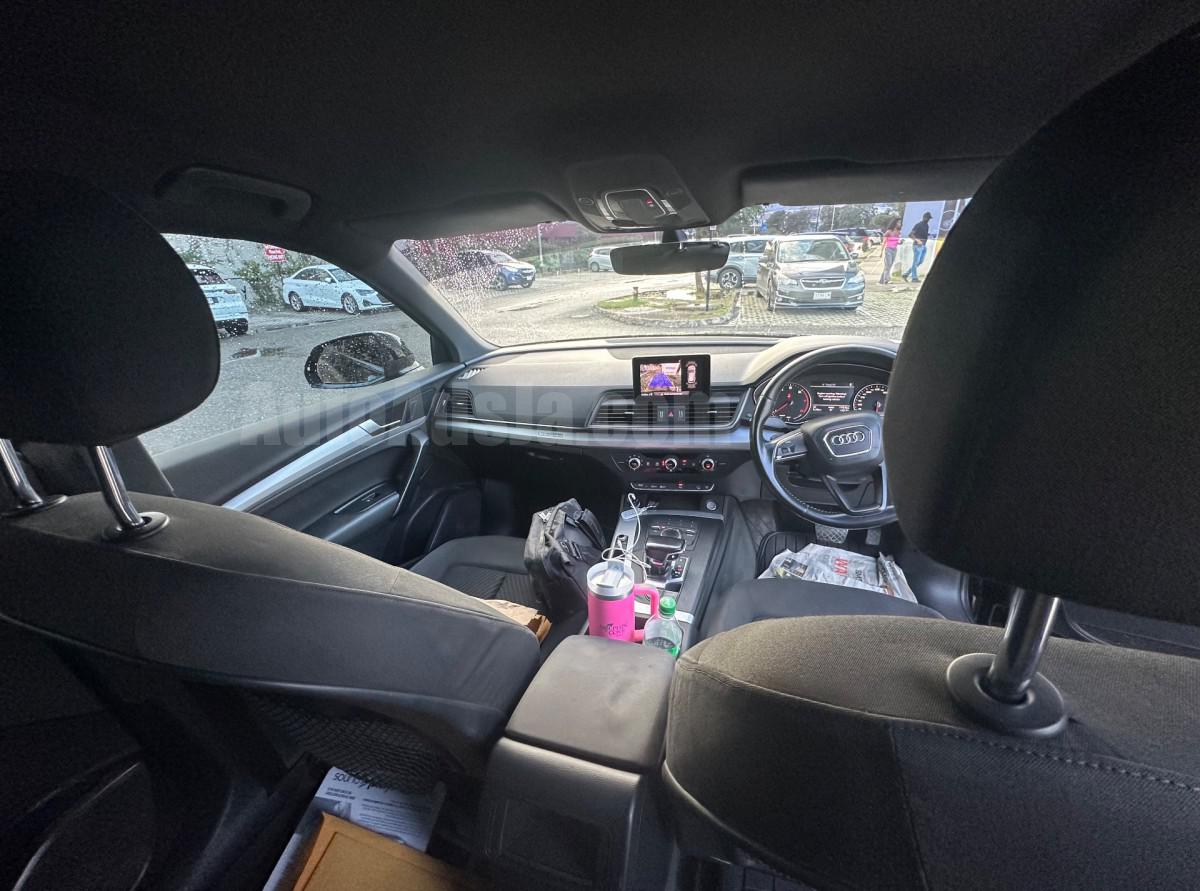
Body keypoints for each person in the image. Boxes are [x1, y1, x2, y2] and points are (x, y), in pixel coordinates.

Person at [904, 211, 933, 282]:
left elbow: (923, 234)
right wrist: (917, 240)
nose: (928, 220)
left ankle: (906, 274)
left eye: (929, 219)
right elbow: (910, 234)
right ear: (924, 217)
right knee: (915, 262)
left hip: (923, 245)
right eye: (927, 218)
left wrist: (929, 235)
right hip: (917, 245)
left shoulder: (927, 226)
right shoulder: (918, 225)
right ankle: (914, 278)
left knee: (920, 261)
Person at [879, 218, 902, 284]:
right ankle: (887, 279)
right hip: (888, 249)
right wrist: (881, 252)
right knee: (888, 264)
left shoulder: (898, 232)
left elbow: (897, 241)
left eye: (900, 223)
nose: (900, 224)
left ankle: (882, 280)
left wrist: (900, 242)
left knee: (889, 265)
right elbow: (884, 241)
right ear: (895, 223)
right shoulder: (889, 232)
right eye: (898, 222)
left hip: (894, 250)